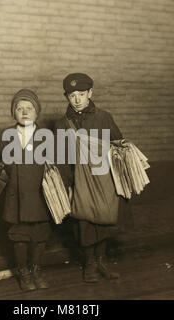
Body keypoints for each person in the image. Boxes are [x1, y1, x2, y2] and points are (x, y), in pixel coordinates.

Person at [0, 89, 52, 292]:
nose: (24, 112)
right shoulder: (6, 136)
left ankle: (36, 270)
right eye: (19, 108)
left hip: (40, 196)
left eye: (29, 108)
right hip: (17, 197)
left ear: (37, 112)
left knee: (40, 235)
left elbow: (61, 165)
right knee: (20, 236)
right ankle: (23, 272)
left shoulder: (47, 136)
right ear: (13, 113)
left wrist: (62, 188)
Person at [54, 73, 134, 283]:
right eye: (72, 95)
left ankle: (101, 261)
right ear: (67, 97)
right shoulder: (63, 123)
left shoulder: (103, 117)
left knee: (104, 220)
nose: (78, 99)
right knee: (85, 222)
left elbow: (118, 144)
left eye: (82, 94)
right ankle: (89, 264)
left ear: (90, 93)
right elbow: (60, 156)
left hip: (103, 176)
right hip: (77, 178)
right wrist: (65, 182)